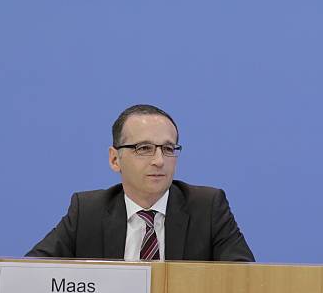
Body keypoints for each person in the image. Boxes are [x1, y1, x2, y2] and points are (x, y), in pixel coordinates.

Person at [26, 104, 255, 262]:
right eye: (143, 148)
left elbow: (245, 281)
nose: (159, 161)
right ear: (115, 159)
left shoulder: (208, 208)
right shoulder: (88, 211)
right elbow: (30, 273)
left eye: (168, 149)